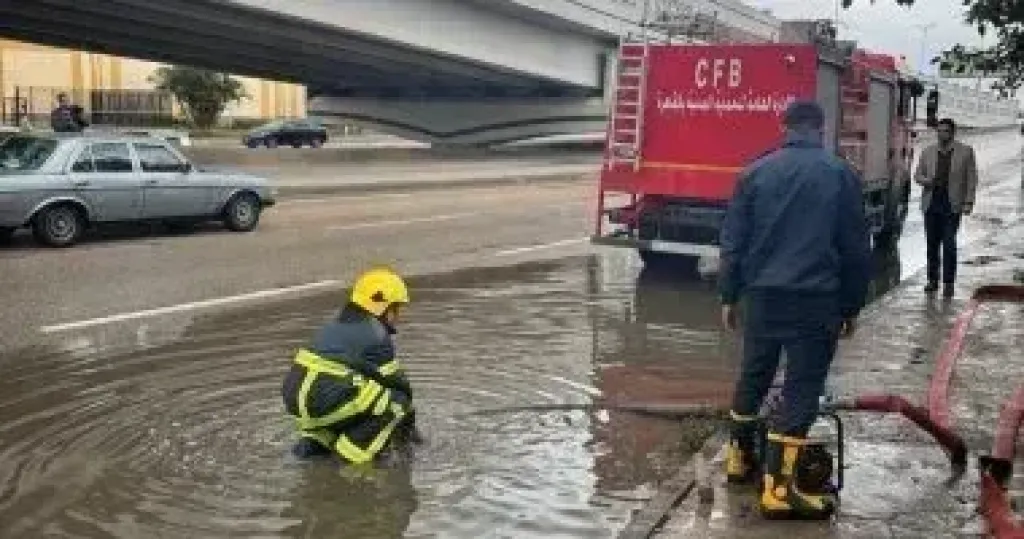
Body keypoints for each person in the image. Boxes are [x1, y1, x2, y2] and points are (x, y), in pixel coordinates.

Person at [717, 100, 873, 519]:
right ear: (821, 129)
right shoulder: (841, 175)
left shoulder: (754, 172)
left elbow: (732, 244)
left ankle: (739, 461)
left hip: (763, 297)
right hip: (814, 300)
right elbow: (857, 250)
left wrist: (729, 296)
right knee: (801, 390)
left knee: (753, 375)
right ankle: (779, 492)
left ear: (783, 126)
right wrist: (851, 306)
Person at [282, 267, 423, 465]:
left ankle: (312, 448)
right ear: (382, 306)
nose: (397, 316)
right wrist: (412, 440)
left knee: (360, 398)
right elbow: (400, 387)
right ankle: (349, 461)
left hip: (297, 398)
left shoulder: (335, 324)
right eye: (396, 308)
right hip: (325, 395)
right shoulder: (377, 335)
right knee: (397, 402)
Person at [914, 118, 978, 298]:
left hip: (952, 206)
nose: (942, 135)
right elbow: (917, 175)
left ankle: (948, 282)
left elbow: (971, 179)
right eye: (939, 131)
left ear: (953, 133)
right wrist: (927, 181)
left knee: (949, 244)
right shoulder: (927, 152)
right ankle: (932, 280)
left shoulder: (965, 152)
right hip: (931, 204)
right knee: (932, 245)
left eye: (946, 131)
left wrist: (968, 202)